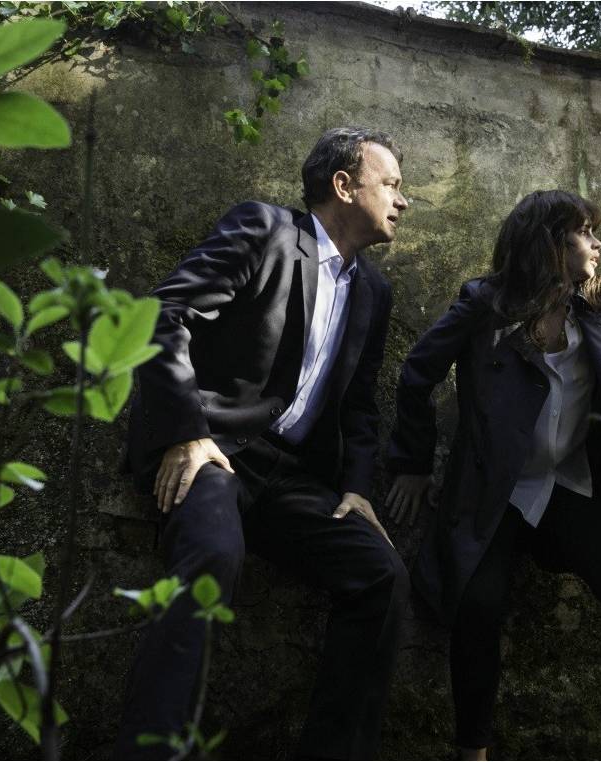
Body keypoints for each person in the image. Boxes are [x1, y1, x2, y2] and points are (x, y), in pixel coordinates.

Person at [385, 190, 601, 761]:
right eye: (584, 232)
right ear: (549, 243)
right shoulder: (486, 305)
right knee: (479, 603)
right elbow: (417, 372)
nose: (598, 243)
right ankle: (472, 753)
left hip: (567, 484)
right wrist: (413, 464)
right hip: (498, 489)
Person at [115, 127, 410, 760]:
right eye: (390, 184)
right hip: (215, 450)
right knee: (213, 555)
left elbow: (359, 405)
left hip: (293, 479)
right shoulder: (266, 230)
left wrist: (357, 488)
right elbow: (163, 315)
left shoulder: (374, 292)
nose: (402, 200)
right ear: (344, 185)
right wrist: (186, 433)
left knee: (382, 575)